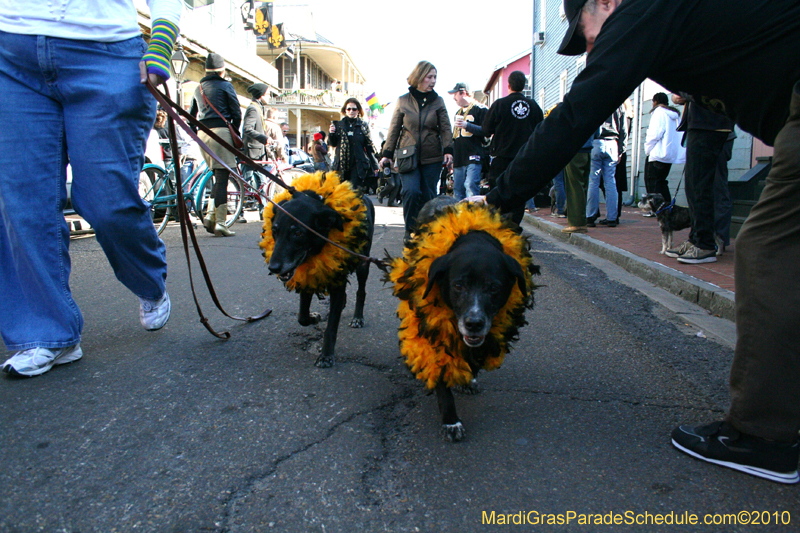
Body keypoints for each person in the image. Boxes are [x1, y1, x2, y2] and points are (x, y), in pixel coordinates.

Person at [485, 0, 800, 484]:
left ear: (605, 3)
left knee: (768, 253)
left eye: (586, 35)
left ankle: (763, 436)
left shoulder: (641, 12)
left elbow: (577, 115)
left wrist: (504, 196)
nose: (591, 50)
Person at [0, 0, 181, 377]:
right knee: (22, 206)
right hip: (11, 52)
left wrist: (161, 40)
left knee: (107, 204)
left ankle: (148, 279)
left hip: (105, 52)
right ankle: (47, 334)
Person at [380, 61, 454, 244]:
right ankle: (410, 231)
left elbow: (445, 128)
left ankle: (428, 231)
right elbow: (394, 129)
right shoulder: (403, 100)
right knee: (411, 192)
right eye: (430, 77)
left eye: (435, 77)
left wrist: (448, 150)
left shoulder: (438, 101)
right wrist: (387, 153)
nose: (433, 81)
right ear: (419, 77)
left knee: (428, 195)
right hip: (408, 155)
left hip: (432, 156)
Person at [666, 94, 736, 263]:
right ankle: (696, 239)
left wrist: (683, 93)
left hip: (710, 125)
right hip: (702, 124)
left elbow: (701, 86)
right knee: (694, 187)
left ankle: (705, 244)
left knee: (701, 187)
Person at [471, 70, 543, 222]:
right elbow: (541, 129)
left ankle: (498, 226)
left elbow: (486, 129)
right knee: (519, 193)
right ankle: (514, 227)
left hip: (501, 157)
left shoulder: (500, 105)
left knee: (498, 191)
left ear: (508, 85)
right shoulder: (534, 106)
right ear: (524, 85)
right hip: (524, 157)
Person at [189, 53, 241, 238]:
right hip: (221, 133)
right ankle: (220, 222)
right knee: (222, 177)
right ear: (222, 70)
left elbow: (190, 115)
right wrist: (234, 132)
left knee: (216, 175)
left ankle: (211, 216)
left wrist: (197, 134)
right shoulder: (226, 85)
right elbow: (236, 113)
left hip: (203, 133)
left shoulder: (199, 88)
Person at [643, 93, 685, 210]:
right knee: (661, 182)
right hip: (669, 155)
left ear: (655, 101)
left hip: (657, 153)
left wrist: (648, 150)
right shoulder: (674, 115)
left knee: (652, 183)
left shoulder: (659, 113)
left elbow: (654, 134)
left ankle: (655, 208)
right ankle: (667, 207)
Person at [586, 105, 625, 227]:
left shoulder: (595, 101)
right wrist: (621, 149)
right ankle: (612, 217)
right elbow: (623, 127)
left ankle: (590, 216)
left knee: (593, 181)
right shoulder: (619, 104)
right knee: (610, 181)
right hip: (613, 142)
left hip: (596, 141)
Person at [329, 98, 379, 190]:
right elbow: (333, 143)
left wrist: (375, 165)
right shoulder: (339, 125)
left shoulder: (363, 126)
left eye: (354, 109)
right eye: (349, 109)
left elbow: (368, 146)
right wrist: (331, 133)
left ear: (358, 111)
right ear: (345, 110)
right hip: (341, 165)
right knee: (341, 193)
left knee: (354, 191)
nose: (351, 111)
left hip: (357, 165)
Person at [449, 82, 488, 201]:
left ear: (463, 92)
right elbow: (454, 137)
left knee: (470, 186)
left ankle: (473, 217)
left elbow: (487, 132)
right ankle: (460, 218)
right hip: (459, 157)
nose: (453, 98)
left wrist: (467, 125)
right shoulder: (458, 113)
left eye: (455, 94)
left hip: (474, 154)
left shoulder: (481, 109)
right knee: (458, 189)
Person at [242, 83, 271, 191]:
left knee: (261, 183)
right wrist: (264, 138)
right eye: (267, 94)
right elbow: (247, 129)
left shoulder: (258, 107)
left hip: (257, 152)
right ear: (261, 95)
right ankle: (245, 203)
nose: (269, 96)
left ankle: (262, 205)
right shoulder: (253, 109)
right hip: (252, 153)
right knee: (248, 183)